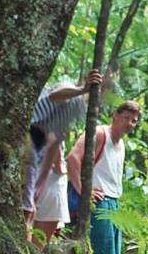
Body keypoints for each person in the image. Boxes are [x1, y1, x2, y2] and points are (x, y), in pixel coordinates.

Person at [25, 69, 102, 235]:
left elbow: (55, 142)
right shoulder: (70, 94)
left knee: (33, 214)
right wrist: (83, 89)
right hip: (29, 152)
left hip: (41, 165)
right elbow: (56, 95)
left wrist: (43, 179)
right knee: (27, 211)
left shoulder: (74, 112)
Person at [69, 101, 142, 254]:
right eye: (126, 118)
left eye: (134, 120)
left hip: (113, 203)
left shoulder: (121, 143)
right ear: (115, 116)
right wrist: (83, 191)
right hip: (99, 202)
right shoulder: (100, 134)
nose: (129, 123)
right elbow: (73, 158)